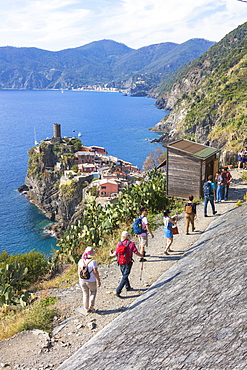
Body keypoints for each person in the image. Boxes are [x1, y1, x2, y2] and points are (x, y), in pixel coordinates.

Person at [112, 231, 143, 297]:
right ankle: (118, 290)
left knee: (124, 274)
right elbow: (136, 252)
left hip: (120, 261)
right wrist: (141, 256)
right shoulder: (131, 243)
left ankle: (127, 287)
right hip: (128, 261)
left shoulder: (119, 243)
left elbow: (116, 253)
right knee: (125, 276)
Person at [78, 247, 101, 314]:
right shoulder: (93, 262)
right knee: (93, 291)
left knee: (85, 294)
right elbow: (95, 272)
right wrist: (98, 280)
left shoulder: (80, 261)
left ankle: (86, 308)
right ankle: (91, 305)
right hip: (91, 280)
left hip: (82, 280)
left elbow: (78, 272)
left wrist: (81, 279)